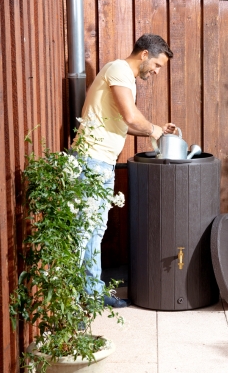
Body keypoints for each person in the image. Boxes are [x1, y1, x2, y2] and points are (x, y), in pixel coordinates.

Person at [75, 33, 176, 308]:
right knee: (85, 231)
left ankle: (91, 294)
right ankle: (78, 298)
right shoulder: (119, 69)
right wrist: (153, 129)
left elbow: (123, 123)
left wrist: (155, 130)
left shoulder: (125, 77)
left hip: (102, 161)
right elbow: (131, 116)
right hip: (91, 159)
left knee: (95, 230)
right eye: (156, 65)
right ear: (144, 54)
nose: (156, 72)